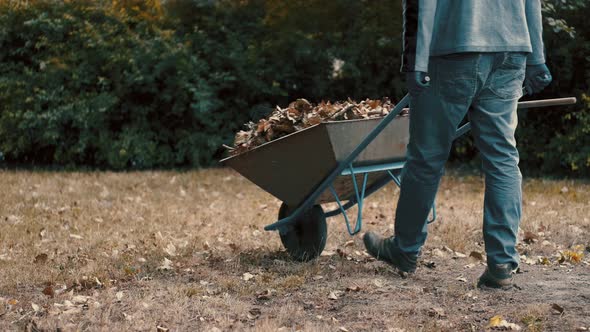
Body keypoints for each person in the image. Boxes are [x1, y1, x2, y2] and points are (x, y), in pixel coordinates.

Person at [363, 0, 552, 288]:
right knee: (503, 157)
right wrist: (537, 58)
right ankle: (501, 262)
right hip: (511, 49)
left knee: (426, 156)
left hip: (454, 49)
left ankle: (405, 249)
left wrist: (415, 61)